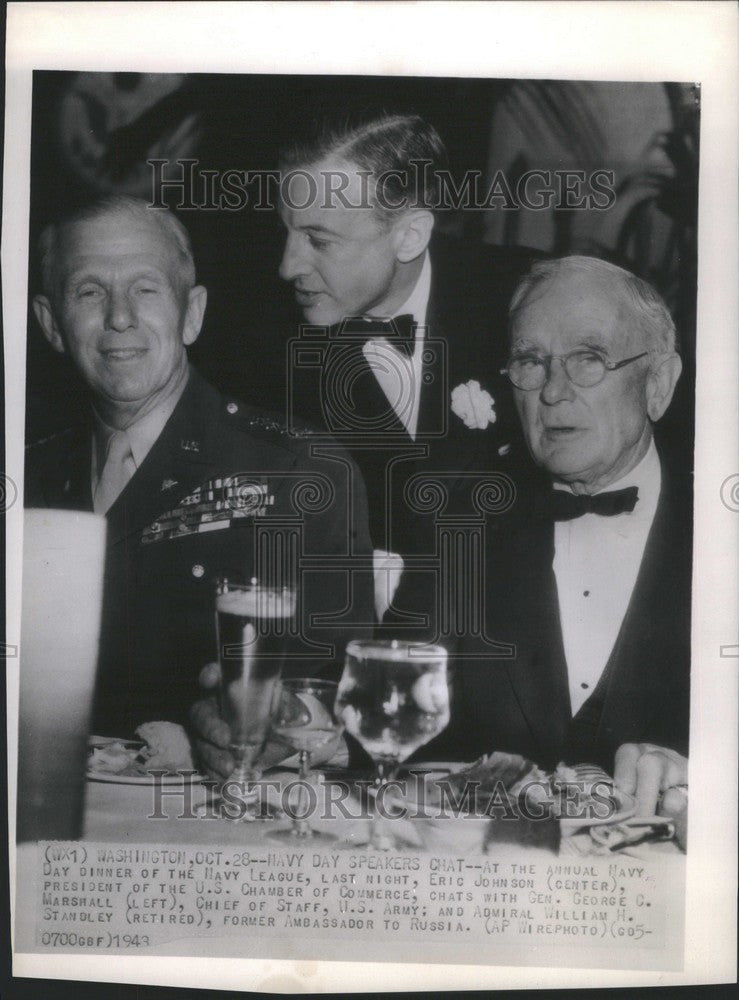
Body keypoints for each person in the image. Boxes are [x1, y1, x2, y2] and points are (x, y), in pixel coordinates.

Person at [25, 195, 374, 738]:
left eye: (146, 289)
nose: (120, 317)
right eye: (90, 291)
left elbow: (338, 697)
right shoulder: (27, 475)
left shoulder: (297, 472)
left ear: (192, 314)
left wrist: (274, 724)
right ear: (50, 324)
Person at [393, 256, 691, 821]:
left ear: (659, 383)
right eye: (531, 361)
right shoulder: (461, 519)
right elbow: (394, 723)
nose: (552, 392)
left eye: (589, 359)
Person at [278, 112, 538, 614]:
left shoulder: (524, 296)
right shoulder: (257, 346)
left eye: (319, 240)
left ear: (410, 235)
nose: (288, 265)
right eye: (286, 232)